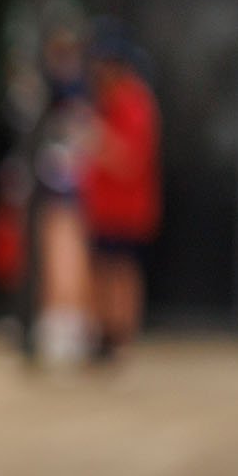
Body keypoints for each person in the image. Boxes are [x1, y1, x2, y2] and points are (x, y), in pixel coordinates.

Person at [78, 29, 161, 362]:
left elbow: (130, 159)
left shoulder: (134, 102)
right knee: (100, 269)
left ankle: (120, 337)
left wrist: (97, 140)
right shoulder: (102, 101)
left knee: (122, 271)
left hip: (126, 208)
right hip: (101, 205)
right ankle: (101, 335)